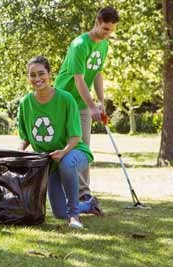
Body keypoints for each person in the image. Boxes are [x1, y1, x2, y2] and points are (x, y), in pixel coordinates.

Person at [18, 56, 101, 229]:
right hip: (50, 161)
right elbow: (25, 137)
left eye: (41, 73)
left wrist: (63, 152)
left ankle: (75, 216)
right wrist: (19, 153)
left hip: (75, 152)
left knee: (67, 164)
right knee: (58, 212)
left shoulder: (66, 99)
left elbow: (75, 136)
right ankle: (89, 205)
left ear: (50, 74)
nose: (37, 78)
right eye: (32, 75)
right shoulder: (25, 103)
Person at [54, 7, 119, 202]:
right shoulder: (80, 44)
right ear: (97, 22)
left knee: (83, 148)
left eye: (112, 30)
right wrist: (91, 107)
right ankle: (58, 192)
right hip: (64, 100)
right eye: (106, 29)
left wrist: (100, 102)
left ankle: (83, 195)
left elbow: (97, 74)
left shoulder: (104, 45)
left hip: (82, 103)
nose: (108, 33)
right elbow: (79, 79)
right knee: (64, 146)